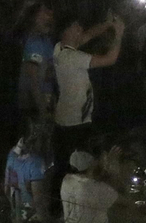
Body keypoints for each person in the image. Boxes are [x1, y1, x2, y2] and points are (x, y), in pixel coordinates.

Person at [52, 13, 125, 162]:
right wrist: (118, 35)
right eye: (76, 26)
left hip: (67, 118)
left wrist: (108, 24)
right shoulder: (72, 57)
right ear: (66, 31)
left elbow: (89, 34)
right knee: (78, 165)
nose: (80, 29)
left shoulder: (59, 48)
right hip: (75, 122)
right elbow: (109, 59)